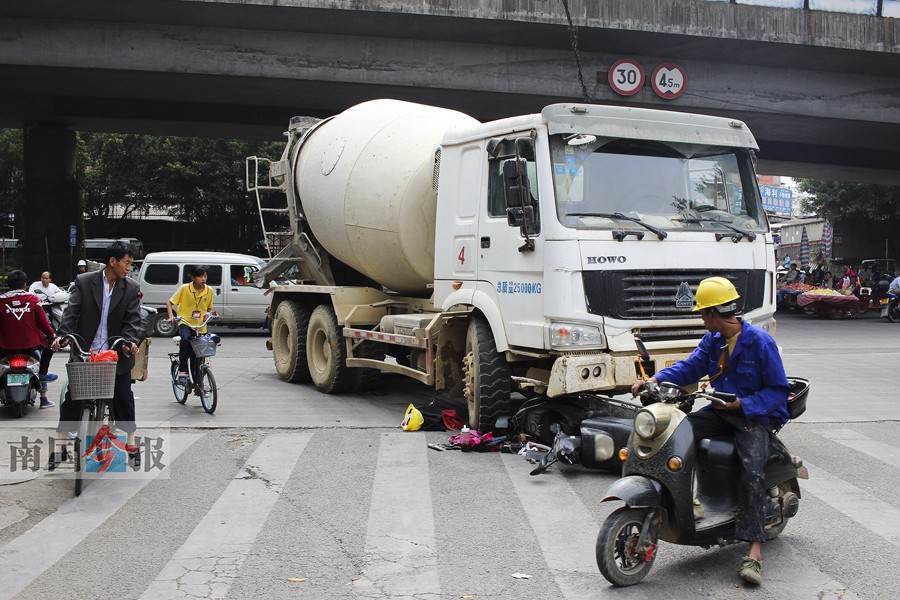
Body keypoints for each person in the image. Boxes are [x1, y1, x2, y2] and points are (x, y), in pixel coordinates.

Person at [631, 277, 790, 586]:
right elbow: (689, 367)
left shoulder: (760, 342)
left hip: (752, 416)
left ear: (715, 313)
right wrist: (654, 381)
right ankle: (688, 500)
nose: (702, 318)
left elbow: (777, 391)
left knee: (752, 472)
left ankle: (754, 553)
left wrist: (744, 404)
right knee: (677, 433)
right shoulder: (713, 340)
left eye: (703, 313)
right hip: (721, 411)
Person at [50, 242, 142, 469]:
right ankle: (60, 445)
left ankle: (131, 442)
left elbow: (133, 321)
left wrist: (129, 342)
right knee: (73, 395)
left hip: (115, 352)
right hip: (86, 349)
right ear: (113, 261)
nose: (129, 268)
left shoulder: (130, 287)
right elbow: (71, 312)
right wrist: (62, 336)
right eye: (127, 263)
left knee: (122, 393)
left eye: (131, 264)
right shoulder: (84, 282)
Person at [0, 270, 57, 408]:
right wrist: (53, 336)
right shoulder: (33, 300)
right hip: (31, 345)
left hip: (4, 347)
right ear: (25, 285)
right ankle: (43, 381)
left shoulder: (1, 301)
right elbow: (45, 324)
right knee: (51, 342)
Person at [166, 265, 214, 379]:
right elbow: (169, 302)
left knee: (198, 354)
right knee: (185, 341)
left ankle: (199, 383)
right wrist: (171, 316)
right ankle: (182, 370)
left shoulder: (209, 290)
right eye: (200, 276)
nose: (203, 279)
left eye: (205, 276)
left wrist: (209, 315)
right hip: (186, 322)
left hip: (201, 326)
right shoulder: (184, 289)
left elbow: (209, 309)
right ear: (193, 277)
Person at [28, 271, 62, 383]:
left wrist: (52, 334)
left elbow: (61, 295)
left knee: (50, 340)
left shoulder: (54, 288)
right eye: (42, 278)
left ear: (50, 279)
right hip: (37, 313)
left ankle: (43, 374)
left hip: (47, 310)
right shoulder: (33, 289)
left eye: (46, 278)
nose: (44, 280)